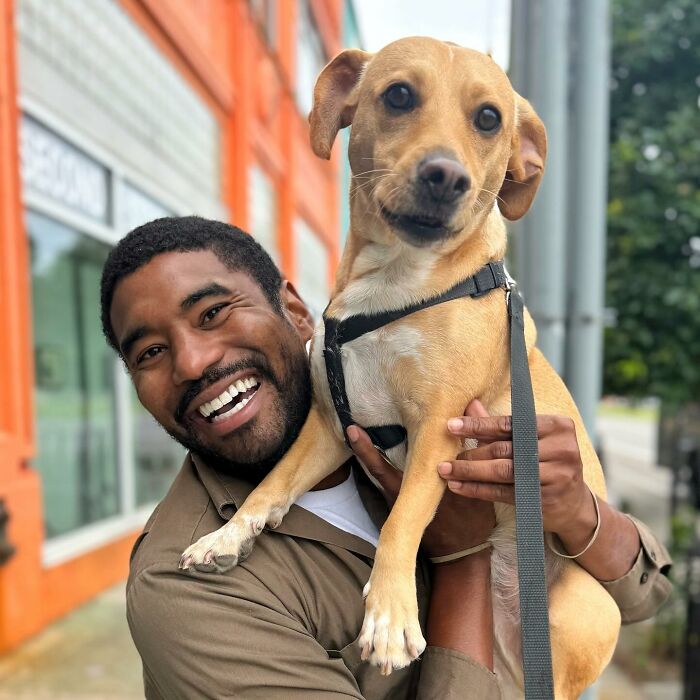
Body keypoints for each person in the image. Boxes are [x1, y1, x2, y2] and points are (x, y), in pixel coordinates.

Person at [101, 216, 672, 699]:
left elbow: (646, 595)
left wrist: (576, 512)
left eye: (214, 313)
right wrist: (463, 558)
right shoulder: (186, 593)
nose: (193, 362)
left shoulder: (401, 401)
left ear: (300, 313)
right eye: (150, 352)